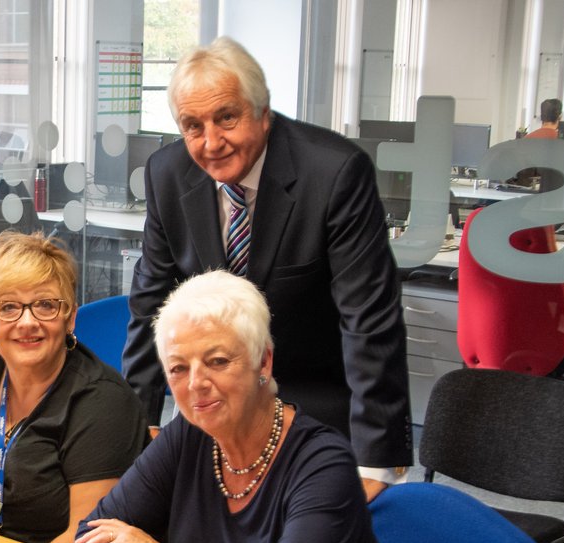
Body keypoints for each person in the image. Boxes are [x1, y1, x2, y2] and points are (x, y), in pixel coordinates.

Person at [122, 37, 411, 501]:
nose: (211, 142)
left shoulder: (335, 172)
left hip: (312, 400)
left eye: (227, 118)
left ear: (263, 111)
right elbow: (150, 304)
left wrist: (375, 457)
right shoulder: (167, 173)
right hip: (212, 404)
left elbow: (369, 319)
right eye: (192, 126)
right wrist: (142, 423)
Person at [74, 271, 411, 543]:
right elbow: (91, 540)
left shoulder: (325, 465)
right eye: (179, 368)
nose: (197, 383)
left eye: (217, 361)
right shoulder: (189, 433)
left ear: (263, 360)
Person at [0, 231, 148, 543]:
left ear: (70, 318)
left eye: (45, 305)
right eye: (8, 307)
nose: (27, 321)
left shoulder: (103, 402)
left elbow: (83, 536)